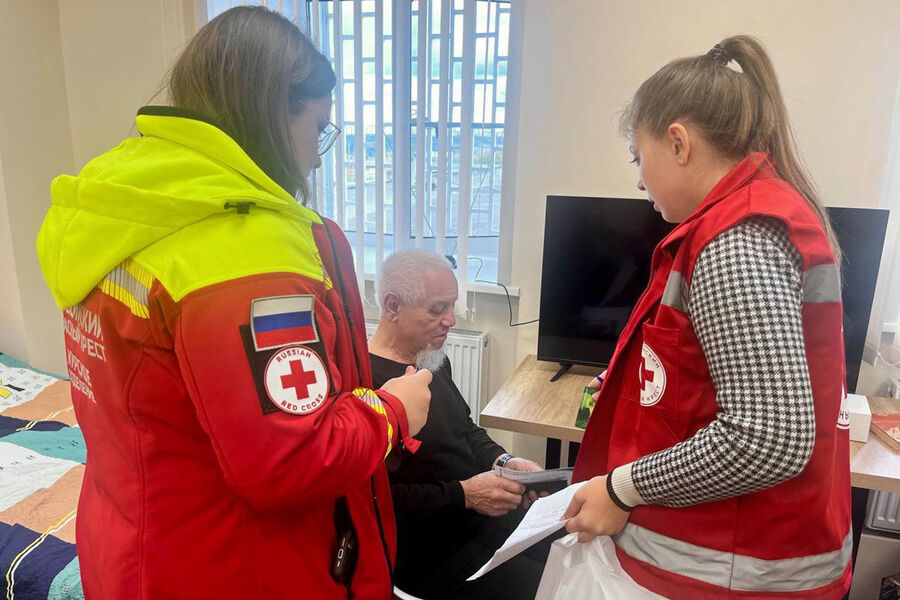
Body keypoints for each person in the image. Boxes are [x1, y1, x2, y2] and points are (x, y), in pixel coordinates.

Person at [35, 7, 432, 599]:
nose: (317, 156)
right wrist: (393, 411)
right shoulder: (245, 253)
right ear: (273, 113)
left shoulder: (123, 209)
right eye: (318, 127)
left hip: (132, 543)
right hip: (231, 568)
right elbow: (292, 461)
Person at [561, 36, 852, 600]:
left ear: (678, 143)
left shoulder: (735, 242)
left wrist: (621, 489)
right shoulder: (745, 221)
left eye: (638, 157)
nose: (639, 181)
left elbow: (767, 438)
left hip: (730, 571)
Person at [368, 248, 547, 600]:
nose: (451, 320)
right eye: (438, 309)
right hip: (438, 556)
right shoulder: (365, 387)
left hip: (484, 522)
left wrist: (504, 462)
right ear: (392, 306)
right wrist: (465, 495)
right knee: (557, 585)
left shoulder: (432, 360)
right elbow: (379, 499)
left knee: (573, 544)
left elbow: (465, 429)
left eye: (452, 306)